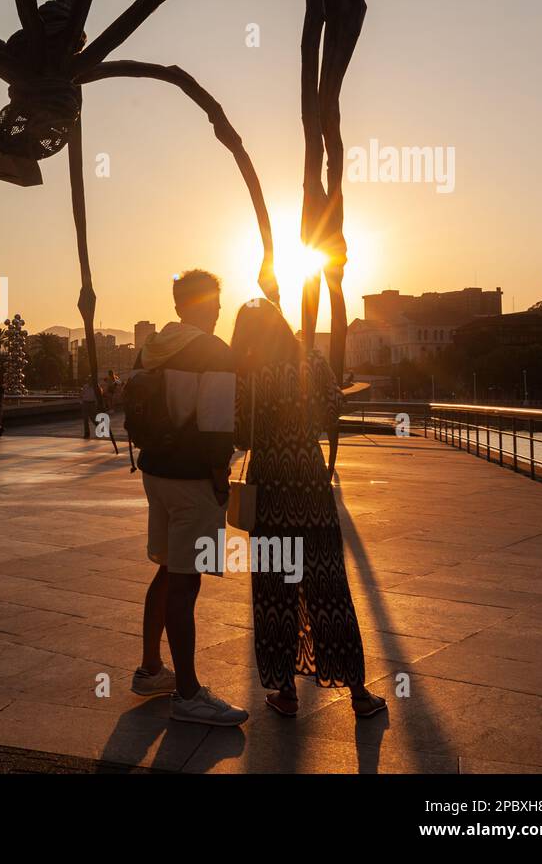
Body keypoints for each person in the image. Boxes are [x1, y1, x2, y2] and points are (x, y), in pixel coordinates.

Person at [231, 299, 387, 719]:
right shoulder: (311, 362)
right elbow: (334, 409)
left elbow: (240, 436)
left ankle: (286, 693)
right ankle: (358, 693)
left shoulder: (247, 375)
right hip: (310, 485)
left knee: (276, 590)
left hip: (272, 492)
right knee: (327, 586)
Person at [129, 270, 247, 726]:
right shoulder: (212, 350)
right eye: (214, 304)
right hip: (194, 479)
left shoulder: (151, 347)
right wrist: (220, 477)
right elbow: (218, 424)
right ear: (198, 306)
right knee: (186, 581)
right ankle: (188, 693)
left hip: (155, 471)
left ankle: (151, 669)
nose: (217, 311)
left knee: (167, 569)